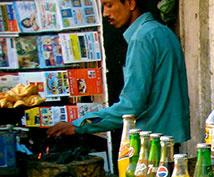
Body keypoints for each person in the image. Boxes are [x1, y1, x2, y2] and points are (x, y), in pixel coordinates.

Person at [47, 0, 190, 144]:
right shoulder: (162, 31)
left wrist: (79, 125)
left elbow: (130, 106)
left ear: (131, 4)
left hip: (152, 144)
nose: (105, 14)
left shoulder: (141, 39)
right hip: (169, 139)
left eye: (109, 5)